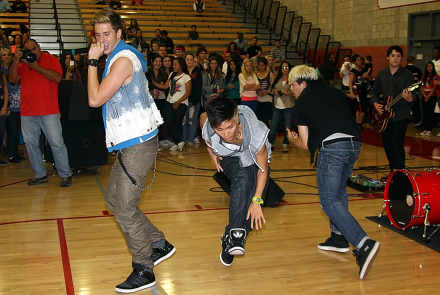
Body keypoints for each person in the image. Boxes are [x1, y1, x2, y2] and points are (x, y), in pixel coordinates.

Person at [87, 8, 175, 293]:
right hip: (130, 143)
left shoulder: (122, 60)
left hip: (137, 145)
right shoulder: (117, 57)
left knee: (125, 208)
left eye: (107, 34)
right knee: (114, 200)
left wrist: (91, 62)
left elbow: (95, 99)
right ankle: (158, 243)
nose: (102, 41)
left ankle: (144, 268)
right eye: (98, 35)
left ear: (119, 33)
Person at [287, 64, 380, 280]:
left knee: (329, 201)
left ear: (302, 83)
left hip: (334, 146)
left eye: (292, 84)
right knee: (339, 193)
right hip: (354, 143)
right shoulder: (335, 92)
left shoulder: (300, 105)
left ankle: (363, 243)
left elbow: (306, 143)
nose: (291, 89)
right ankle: (339, 237)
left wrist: (292, 140)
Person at [199, 96, 271, 267]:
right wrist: (212, 154)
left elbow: (263, 170)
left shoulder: (256, 133)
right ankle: (237, 234)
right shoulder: (209, 126)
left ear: (237, 118)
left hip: (254, 159)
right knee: (242, 179)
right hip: (229, 157)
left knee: (254, 211)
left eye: (230, 127)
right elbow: (203, 120)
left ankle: (230, 238)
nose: (226, 133)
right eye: (220, 129)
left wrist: (256, 200)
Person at [9, 39, 72, 186]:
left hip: (48, 110)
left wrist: (36, 66)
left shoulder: (50, 59)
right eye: (28, 50)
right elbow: (12, 79)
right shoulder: (23, 63)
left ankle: (66, 174)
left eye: (33, 49)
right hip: (27, 111)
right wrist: (16, 61)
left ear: (39, 47)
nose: (31, 52)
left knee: (56, 143)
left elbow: (57, 78)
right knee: (30, 144)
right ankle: (40, 174)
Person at [371, 45, 414, 179]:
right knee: (388, 143)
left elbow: (413, 98)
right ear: (387, 58)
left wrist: (409, 98)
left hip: (401, 114)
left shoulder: (407, 75)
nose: (395, 58)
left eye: (398, 56)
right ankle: (393, 170)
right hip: (385, 115)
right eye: (393, 55)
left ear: (402, 58)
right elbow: (375, 91)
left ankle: (400, 172)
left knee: (397, 142)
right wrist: (375, 104)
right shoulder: (382, 74)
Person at [153, 57, 191, 152]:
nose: (173, 66)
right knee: (168, 121)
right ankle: (179, 142)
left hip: (181, 103)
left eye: (175, 64)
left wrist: (178, 102)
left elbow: (188, 92)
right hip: (169, 102)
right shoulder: (171, 75)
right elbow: (166, 86)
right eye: (173, 64)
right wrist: (154, 83)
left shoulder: (186, 77)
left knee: (178, 123)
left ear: (181, 65)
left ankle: (177, 143)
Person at [268, 61, 294, 153]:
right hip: (277, 106)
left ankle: (285, 144)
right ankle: (271, 143)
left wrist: (288, 92)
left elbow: (296, 92)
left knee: (288, 127)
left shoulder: (292, 79)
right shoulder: (276, 78)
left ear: (289, 69)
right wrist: (274, 91)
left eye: (287, 67)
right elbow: (270, 89)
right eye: (283, 67)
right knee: (274, 126)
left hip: (288, 106)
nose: (285, 69)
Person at [2, 48, 22, 163]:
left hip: (19, 104)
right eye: (4, 55)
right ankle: (10, 153)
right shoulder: (1, 71)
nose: (7, 57)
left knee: (17, 131)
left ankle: (15, 153)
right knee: (11, 130)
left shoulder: (16, 68)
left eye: (9, 54)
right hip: (9, 105)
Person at [181, 53, 202, 147]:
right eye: (187, 59)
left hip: (194, 101)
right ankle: (184, 139)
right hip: (184, 100)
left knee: (192, 120)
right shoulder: (183, 72)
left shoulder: (197, 71)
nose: (189, 61)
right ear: (185, 60)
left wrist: (194, 102)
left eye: (191, 60)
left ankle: (190, 140)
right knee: (184, 120)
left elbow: (198, 88)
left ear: (193, 61)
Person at [349, 54, 369, 132]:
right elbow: (350, 82)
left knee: (359, 109)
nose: (360, 61)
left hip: (363, 90)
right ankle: (359, 124)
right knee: (362, 108)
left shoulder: (363, 70)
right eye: (358, 60)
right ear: (354, 62)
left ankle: (357, 123)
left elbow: (368, 78)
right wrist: (351, 92)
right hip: (357, 91)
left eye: (361, 60)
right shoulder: (353, 72)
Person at [419, 62, 439, 136]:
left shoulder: (435, 76)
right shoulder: (423, 76)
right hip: (424, 96)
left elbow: (435, 87)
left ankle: (430, 129)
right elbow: (421, 86)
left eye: (431, 66)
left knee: (430, 112)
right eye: (428, 66)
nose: (429, 68)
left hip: (432, 97)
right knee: (425, 112)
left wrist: (429, 96)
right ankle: (425, 128)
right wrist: (424, 95)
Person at [405, 56, 423, 127]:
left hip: (405, 92)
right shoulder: (417, 70)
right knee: (416, 107)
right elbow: (421, 80)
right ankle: (417, 121)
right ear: (414, 61)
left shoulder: (404, 69)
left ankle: (405, 120)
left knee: (405, 107)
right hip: (414, 91)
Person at [256, 57, 274, 128]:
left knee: (266, 119)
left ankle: (268, 136)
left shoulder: (270, 74)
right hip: (258, 100)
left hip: (268, 100)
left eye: (263, 65)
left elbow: (274, 87)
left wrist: (268, 91)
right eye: (260, 65)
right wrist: (258, 91)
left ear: (266, 65)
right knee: (259, 119)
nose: (261, 67)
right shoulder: (256, 75)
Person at [0, 67, 8, 165]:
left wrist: (5, 106)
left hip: (1, 106)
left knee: (1, 133)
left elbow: (5, 91)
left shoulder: (1, 73)